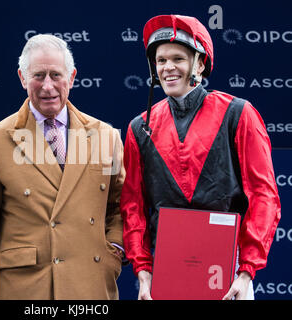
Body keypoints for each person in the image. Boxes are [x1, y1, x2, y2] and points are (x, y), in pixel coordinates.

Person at [120, 14, 281, 300]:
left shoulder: (238, 113)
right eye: (160, 61)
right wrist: (143, 274)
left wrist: (246, 273)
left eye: (178, 59)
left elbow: (263, 195)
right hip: (165, 274)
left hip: (231, 276)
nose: (168, 68)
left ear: (200, 63)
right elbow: (133, 206)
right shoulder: (139, 127)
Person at [0, 34, 126, 300]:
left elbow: (120, 205)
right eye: (38, 76)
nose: (48, 86)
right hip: (25, 291)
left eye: (56, 75)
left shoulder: (105, 136)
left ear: (72, 77)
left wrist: (114, 249)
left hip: (89, 287)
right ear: (22, 78)